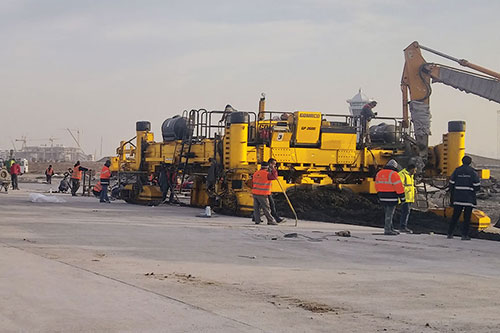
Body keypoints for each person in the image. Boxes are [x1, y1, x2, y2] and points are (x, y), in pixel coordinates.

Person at [447, 155, 480, 240]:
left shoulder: (457, 171)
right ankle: (464, 235)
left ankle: (450, 234)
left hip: (457, 198)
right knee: (467, 218)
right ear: (470, 162)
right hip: (468, 199)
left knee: (455, 216)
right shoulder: (472, 172)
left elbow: (451, 183)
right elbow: (477, 186)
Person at [375, 159, 406, 235]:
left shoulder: (379, 173)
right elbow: (399, 187)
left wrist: (379, 194)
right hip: (392, 197)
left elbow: (376, 185)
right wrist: (402, 198)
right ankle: (388, 230)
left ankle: (391, 228)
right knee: (390, 214)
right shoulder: (394, 174)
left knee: (387, 213)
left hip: (382, 196)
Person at [398, 164, 416, 233]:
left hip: (409, 197)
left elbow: (410, 185)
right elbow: (400, 185)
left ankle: (403, 226)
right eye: (415, 170)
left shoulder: (410, 175)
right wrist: (408, 190)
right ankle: (402, 227)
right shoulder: (402, 174)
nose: (415, 172)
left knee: (406, 212)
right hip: (404, 197)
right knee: (405, 212)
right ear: (411, 169)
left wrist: (413, 189)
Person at [267, 158, 284, 223]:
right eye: (274, 164)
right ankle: (276, 218)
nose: (274, 165)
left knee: (261, 204)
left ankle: (255, 217)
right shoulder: (268, 170)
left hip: (263, 190)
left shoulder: (264, 170)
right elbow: (273, 177)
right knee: (271, 204)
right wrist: (274, 170)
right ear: (270, 164)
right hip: (265, 190)